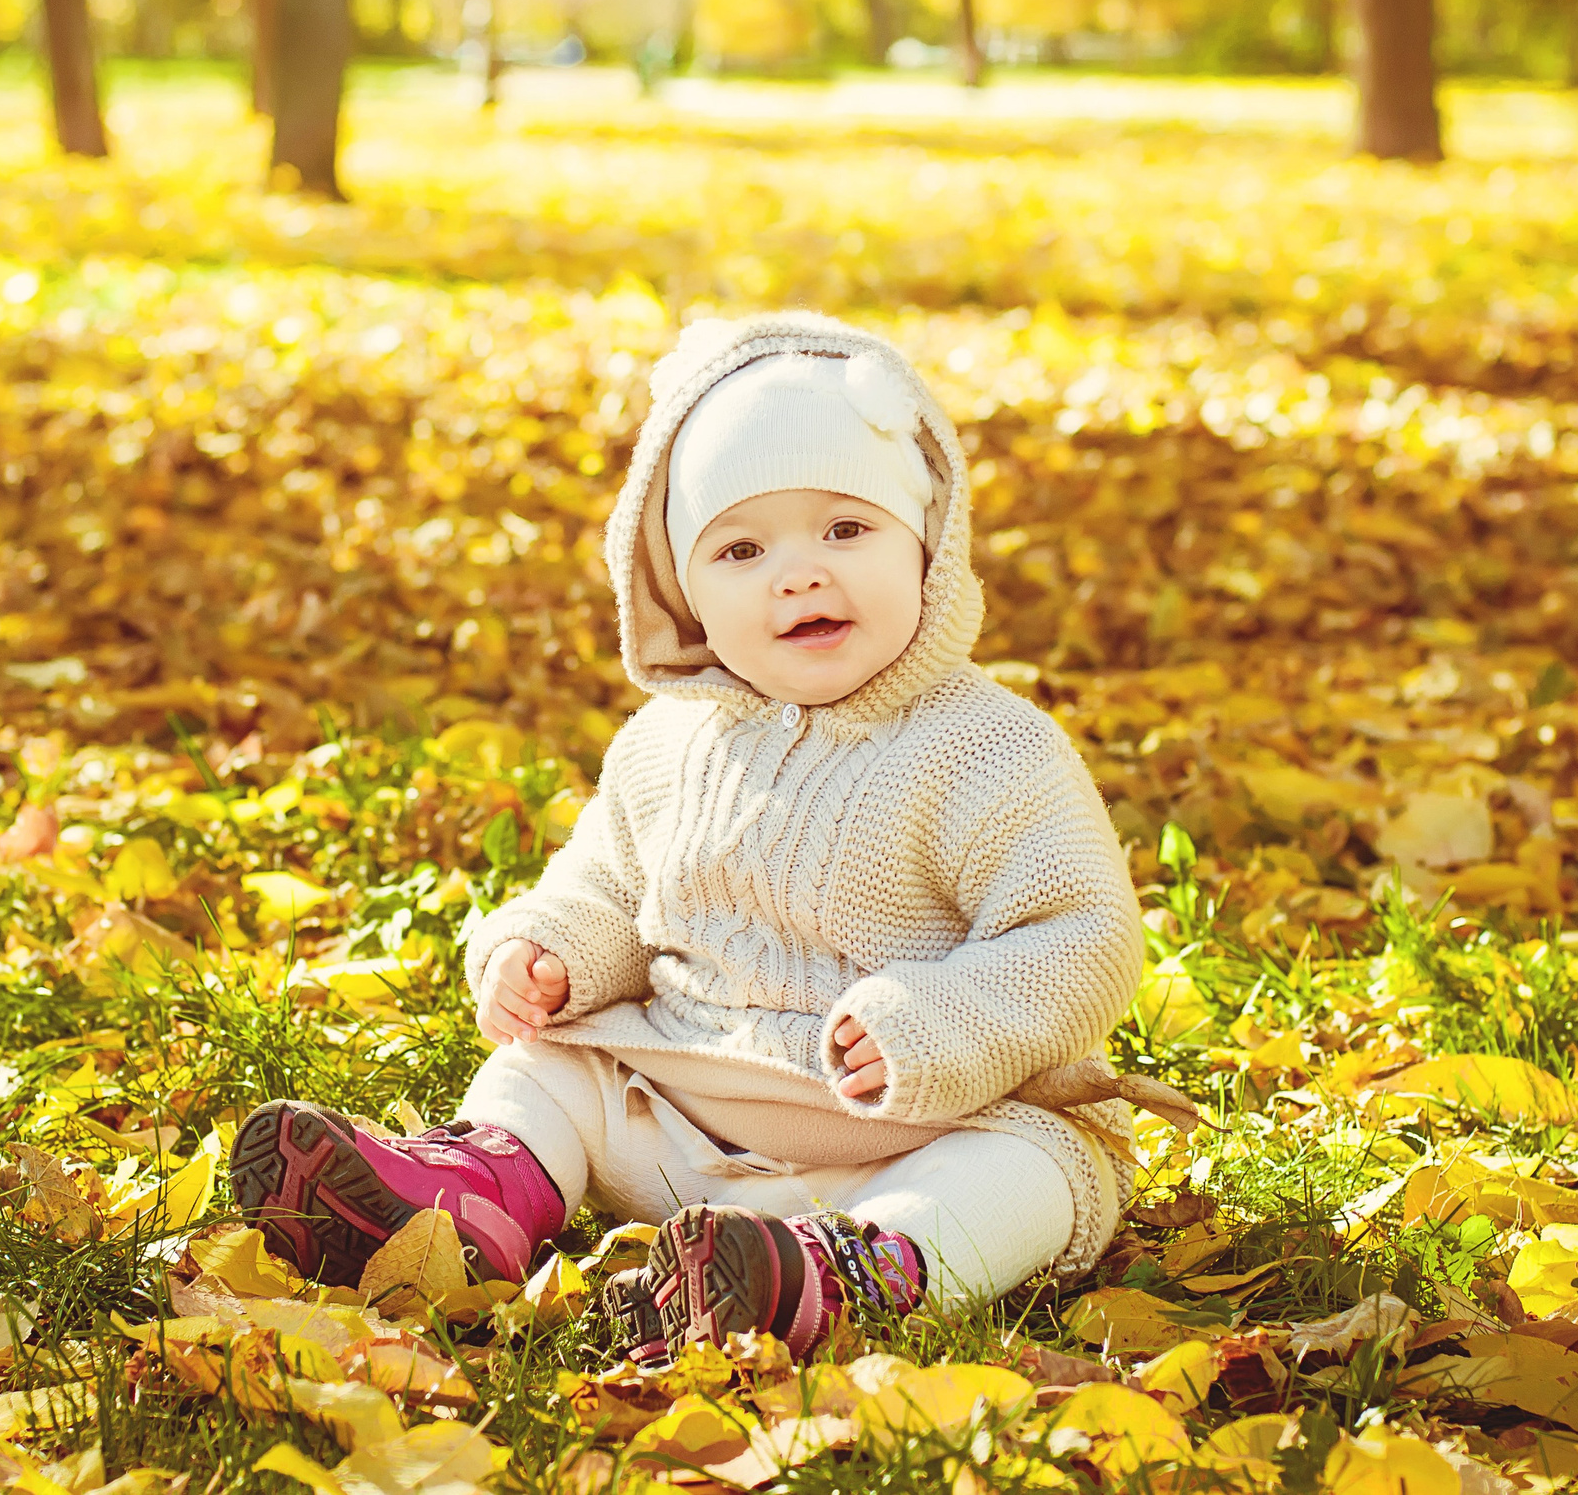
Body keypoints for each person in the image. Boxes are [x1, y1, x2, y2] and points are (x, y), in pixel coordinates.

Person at [229, 311, 1144, 1360]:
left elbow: (1084, 937)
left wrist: (935, 1020)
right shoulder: (666, 745)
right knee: (555, 1062)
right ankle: (476, 1195)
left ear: (928, 541)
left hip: (914, 1133)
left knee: (1029, 1166)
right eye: (742, 548)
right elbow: (608, 888)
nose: (797, 573)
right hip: (681, 1109)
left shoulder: (988, 749)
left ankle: (862, 1273)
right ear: (683, 593)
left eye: (846, 529)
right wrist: (554, 952)